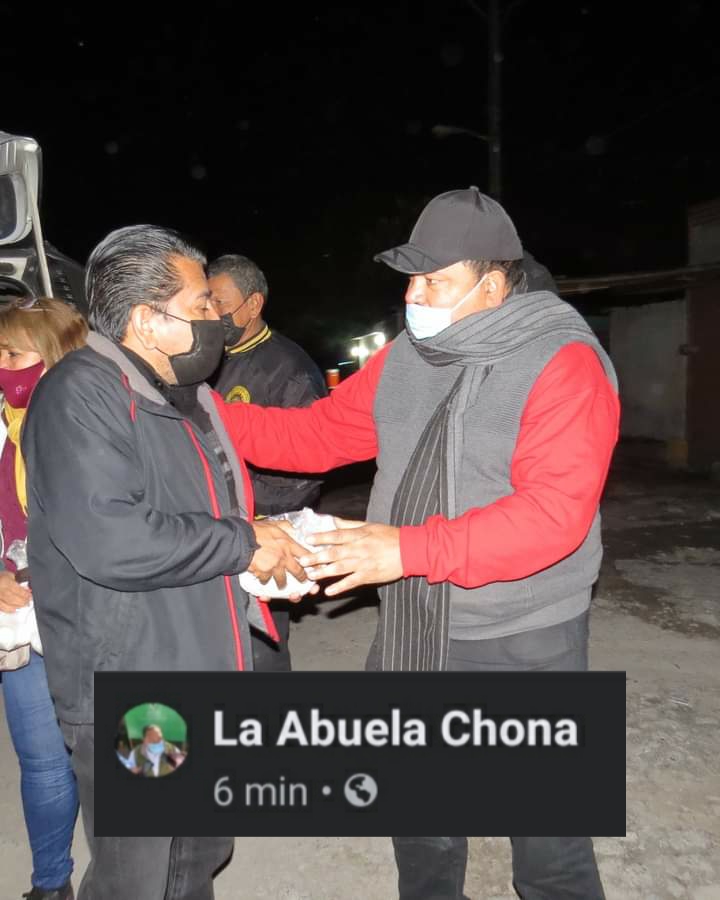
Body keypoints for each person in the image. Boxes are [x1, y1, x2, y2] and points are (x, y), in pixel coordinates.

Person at [214, 187, 620, 899]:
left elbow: (554, 515)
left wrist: (406, 550)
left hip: (525, 636)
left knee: (550, 847)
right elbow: (316, 435)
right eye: (411, 278)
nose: (414, 295)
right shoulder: (408, 357)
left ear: (493, 284)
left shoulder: (563, 362)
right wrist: (200, 411)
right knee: (423, 825)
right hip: (417, 624)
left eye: (435, 280)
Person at [22, 226, 313, 900]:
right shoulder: (82, 394)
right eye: (202, 304)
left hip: (201, 664)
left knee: (197, 851)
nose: (217, 319)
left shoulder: (191, 397)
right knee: (141, 871)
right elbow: (112, 540)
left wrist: (264, 550)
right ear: (147, 320)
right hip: (139, 693)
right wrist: (243, 542)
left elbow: (209, 512)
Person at [0, 296, 84, 900]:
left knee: (125, 749)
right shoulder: (4, 426)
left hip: (92, 614)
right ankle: (50, 884)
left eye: (13, 354)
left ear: (54, 357)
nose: (2, 367)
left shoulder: (98, 422)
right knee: (43, 762)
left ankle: (143, 873)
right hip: (21, 616)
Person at [208, 254, 327, 672]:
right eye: (206, 301)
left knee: (261, 650)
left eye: (220, 302)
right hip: (219, 532)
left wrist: (242, 508)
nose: (211, 313)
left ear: (253, 303)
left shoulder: (288, 369)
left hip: (265, 535)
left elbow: (306, 470)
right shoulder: (209, 359)